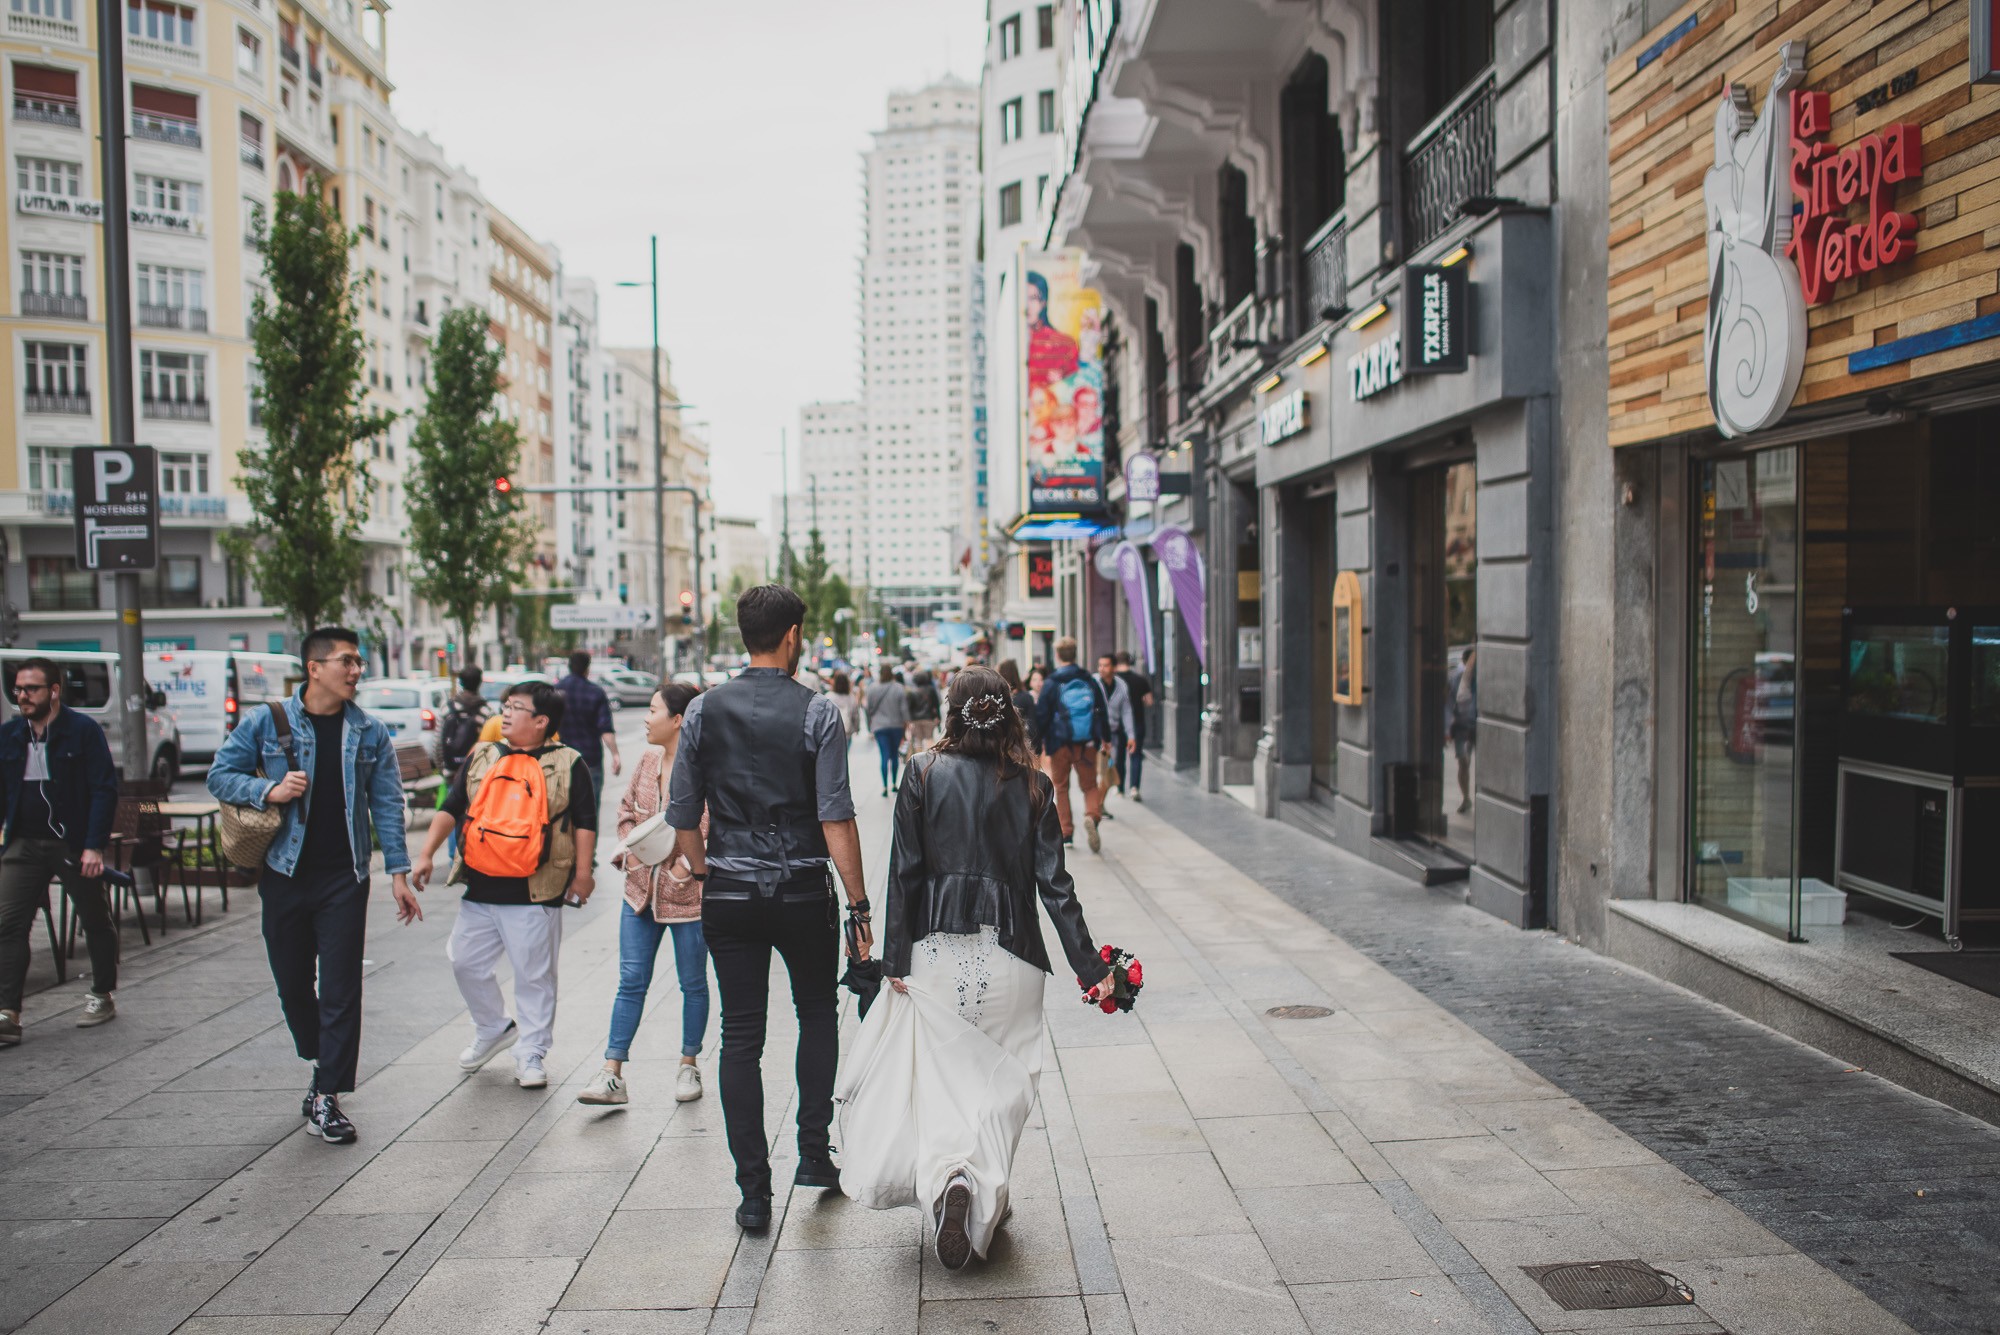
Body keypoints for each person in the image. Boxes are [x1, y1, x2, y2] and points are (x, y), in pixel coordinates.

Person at [838, 666, 1114, 1270]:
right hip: (1013, 955)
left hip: (936, 952)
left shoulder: (921, 772)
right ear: (1009, 714)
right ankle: (979, 1185)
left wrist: (895, 958)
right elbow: (1056, 887)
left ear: (951, 711)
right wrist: (1092, 966)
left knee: (944, 1081)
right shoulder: (1035, 786)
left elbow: (905, 872)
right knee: (1006, 1080)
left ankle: (953, 1181)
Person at [666, 584, 871, 1233]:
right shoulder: (818, 712)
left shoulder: (702, 710)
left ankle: (753, 1192)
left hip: (729, 891)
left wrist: (705, 869)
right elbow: (835, 815)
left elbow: (681, 813)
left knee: (740, 1036)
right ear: (792, 636)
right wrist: (860, 905)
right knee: (816, 1014)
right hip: (803, 889)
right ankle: (813, 1153)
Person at [208, 627, 419, 1145]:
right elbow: (220, 775)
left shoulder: (368, 731)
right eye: (347, 661)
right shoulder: (267, 720)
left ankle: (328, 1095)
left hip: (345, 878)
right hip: (284, 873)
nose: (356, 671)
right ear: (314, 668)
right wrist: (268, 789)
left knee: (342, 988)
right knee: (294, 985)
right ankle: (321, 1061)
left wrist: (398, 873)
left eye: (358, 662)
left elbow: (387, 803)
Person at [412, 681, 595, 1090]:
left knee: (534, 976)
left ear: (541, 721)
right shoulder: (484, 756)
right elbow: (451, 806)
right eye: (505, 706)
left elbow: (585, 821)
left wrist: (583, 873)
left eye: (515, 707)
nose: (505, 714)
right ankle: (493, 1026)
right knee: (464, 961)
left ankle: (531, 1052)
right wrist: (425, 853)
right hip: (481, 886)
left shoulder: (569, 762)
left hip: (536, 889)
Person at [579, 682, 708, 1107]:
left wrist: (685, 865)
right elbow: (626, 811)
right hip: (638, 893)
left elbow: (716, 825)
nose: (647, 719)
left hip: (689, 898)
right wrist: (631, 852)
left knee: (693, 983)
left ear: (678, 719)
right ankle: (611, 1073)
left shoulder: (707, 767)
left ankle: (689, 1064)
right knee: (631, 980)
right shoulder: (647, 760)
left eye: (653, 710)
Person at [0, 658, 121, 1046]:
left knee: (94, 917)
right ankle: (7, 1013)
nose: (22, 696)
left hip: (72, 842)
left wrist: (94, 846)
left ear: (54, 691)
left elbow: (103, 789)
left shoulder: (82, 731)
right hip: (23, 842)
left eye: (31, 689)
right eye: (18, 689)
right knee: (8, 923)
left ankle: (101, 994)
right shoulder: (10, 735)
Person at [1035, 637, 1110, 852]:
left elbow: (1042, 715)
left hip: (1059, 743)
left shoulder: (1052, 683)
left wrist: (1039, 743)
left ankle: (1066, 832)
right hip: (1086, 743)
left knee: (1061, 787)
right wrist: (1105, 738)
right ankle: (1092, 816)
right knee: (1090, 786)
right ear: (1075, 654)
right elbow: (1101, 710)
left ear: (1058, 655)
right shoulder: (1088, 680)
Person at [555, 651, 621, 801]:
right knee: (590, 808)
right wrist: (615, 754)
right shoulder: (595, 693)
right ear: (587, 668)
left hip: (561, 759)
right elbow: (605, 729)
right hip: (590, 760)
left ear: (569, 666)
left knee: (562, 809)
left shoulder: (556, 690)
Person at [1094, 655, 1138, 813]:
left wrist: (1131, 735)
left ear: (1114, 667)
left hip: (1112, 737)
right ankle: (1095, 806)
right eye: (1100, 665)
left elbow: (1126, 711)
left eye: (1106, 665)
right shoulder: (1093, 682)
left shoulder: (1121, 686)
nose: (1102, 669)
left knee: (1108, 772)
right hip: (1094, 736)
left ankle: (1098, 805)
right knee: (1096, 773)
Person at [1113, 651, 1154, 803]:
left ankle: (1119, 787)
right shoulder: (1140, 680)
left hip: (1119, 724)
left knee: (1120, 756)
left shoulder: (1115, 681)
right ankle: (1134, 787)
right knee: (1136, 755)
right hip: (1137, 723)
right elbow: (1149, 701)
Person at [864, 664, 911, 797]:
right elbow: (904, 710)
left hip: (879, 726)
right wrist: (906, 724)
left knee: (884, 755)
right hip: (896, 725)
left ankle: (884, 786)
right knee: (894, 754)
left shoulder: (872, 688)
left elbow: (868, 708)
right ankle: (894, 784)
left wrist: (870, 724)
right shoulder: (899, 688)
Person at [437, 665, 491, 779]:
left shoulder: (448, 707)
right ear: (480, 683)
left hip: (451, 772)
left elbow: (438, 742)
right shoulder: (486, 711)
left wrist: (443, 769)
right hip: (477, 773)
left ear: (460, 682)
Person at [1447, 647, 1479, 815]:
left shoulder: (1482, 677)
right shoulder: (1456, 678)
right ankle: (1466, 797)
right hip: (1461, 725)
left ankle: (1478, 798)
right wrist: (1448, 726)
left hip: (1478, 726)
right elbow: (1450, 702)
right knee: (1463, 762)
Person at [906, 668, 942, 754]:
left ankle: (919, 758)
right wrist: (938, 717)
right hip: (929, 718)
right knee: (929, 738)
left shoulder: (912, 691)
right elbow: (936, 704)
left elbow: (909, 707)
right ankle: (930, 758)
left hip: (915, 720)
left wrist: (909, 721)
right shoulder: (931, 689)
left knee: (918, 741)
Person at [827, 671, 863, 740]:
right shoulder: (851, 698)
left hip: (831, 731)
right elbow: (855, 715)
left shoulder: (829, 697)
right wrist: (857, 728)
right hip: (846, 730)